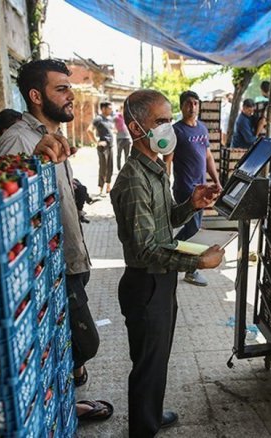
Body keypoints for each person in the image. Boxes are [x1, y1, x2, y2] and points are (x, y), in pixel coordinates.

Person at [0, 58, 113, 423]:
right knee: (82, 342)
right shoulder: (18, 140)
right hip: (47, 267)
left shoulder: (51, 137)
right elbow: (5, 206)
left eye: (69, 87)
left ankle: (64, 404)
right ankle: (62, 402)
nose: (70, 95)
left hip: (69, 258)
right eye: (60, 89)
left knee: (61, 341)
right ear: (35, 96)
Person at [110, 89, 225, 437]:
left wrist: (190, 204)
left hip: (161, 281)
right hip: (145, 282)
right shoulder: (133, 179)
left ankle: (153, 414)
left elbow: (163, 224)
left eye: (168, 119)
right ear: (135, 128)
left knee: (157, 359)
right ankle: (143, 429)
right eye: (160, 122)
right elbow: (146, 248)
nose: (169, 128)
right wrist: (197, 262)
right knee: (147, 364)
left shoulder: (156, 170)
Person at [164, 90, 222, 287]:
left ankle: (171, 256)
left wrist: (216, 179)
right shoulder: (176, 130)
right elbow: (168, 160)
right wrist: (164, 182)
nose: (192, 107)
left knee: (193, 227)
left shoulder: (202, 129)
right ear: (181, 106)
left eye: (196, 103)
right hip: (185, 188)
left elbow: (207, 157)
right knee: (193, 227)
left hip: (201, 188)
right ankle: (179, 261)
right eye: (188, 103)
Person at [87, 101, 115, 196]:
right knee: (103, 167)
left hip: (110, 146)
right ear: (103, 109)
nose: (111, 109)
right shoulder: (98, 119)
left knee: (110, 166)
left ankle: (108, 186)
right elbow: (89, 130)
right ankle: (100, 189)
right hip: (103, 147)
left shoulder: (109, 119)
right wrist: (97, 142)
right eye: (109, 108)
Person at [114, 106, 132, 170]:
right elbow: (111, 121)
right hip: (120, 138)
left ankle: (125, 168)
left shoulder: (128, 117)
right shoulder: (117, 117)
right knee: (119, 154)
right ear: (120, 110)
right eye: (123, 109)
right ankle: (119, 168)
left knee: (127, 155)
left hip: (127, 138)